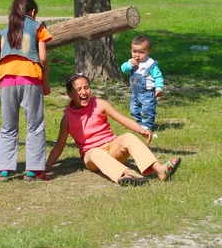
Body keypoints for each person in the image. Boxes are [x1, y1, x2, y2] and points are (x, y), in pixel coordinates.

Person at [45, 74, 181, 186]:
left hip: (112, 147)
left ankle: (159, 169)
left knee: (128, 137)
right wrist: (45, 168)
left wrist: (141, 130)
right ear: (69, 94)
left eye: (86, 88)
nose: (83, 92)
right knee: (95, 152)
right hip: (92, 156)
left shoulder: (99, 104)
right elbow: (58, 147)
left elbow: (123, 119)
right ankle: (127, 174)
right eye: (78, 89)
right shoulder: (67, 118)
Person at [0, 0, 51, 182]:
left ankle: (3, 168)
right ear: (32, 12)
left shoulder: (3, 31)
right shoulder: (37, 27)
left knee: (8, 126)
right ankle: (33, 169)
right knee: (34, 125)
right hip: (30, 77)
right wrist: (45, 81)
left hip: (6, 79)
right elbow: (42, 58)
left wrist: (1, 80)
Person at [120, 35, 164, 133]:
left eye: (141, 52)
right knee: (134, 110)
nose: (137, 55)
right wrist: (130, 64)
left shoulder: (150, 64)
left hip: (147, 93)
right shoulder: (131, 62)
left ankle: (147, 126)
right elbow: (123, 69)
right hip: (135, 93)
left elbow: (158, 77)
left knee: (147, 111)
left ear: (148, 52)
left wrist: (159, 88)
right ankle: (139, 124)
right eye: (134, 51)